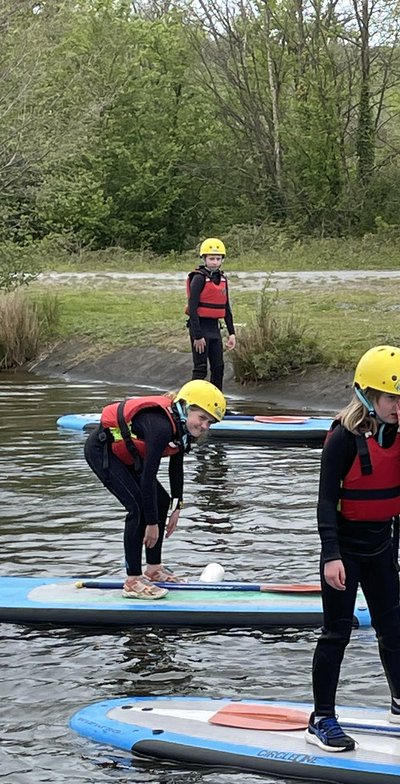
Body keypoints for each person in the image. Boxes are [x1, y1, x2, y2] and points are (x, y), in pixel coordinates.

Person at [307, 345, 400, 752]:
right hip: (345, 550)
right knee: (336, 633)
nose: (399, 407)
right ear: (368, 396)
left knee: (391, 626)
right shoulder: (343, 439)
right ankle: (321, 718)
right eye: (392, 399)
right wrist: (331, 554)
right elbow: (324, 501)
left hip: (382, 547)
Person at [83, 380, 226, 599]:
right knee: (137, 509)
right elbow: (148, 479)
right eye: (202, 418)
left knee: (161, 501)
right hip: (102, 452)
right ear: (187, 408)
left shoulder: (181, 428)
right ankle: (132, 580)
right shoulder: (160, 427)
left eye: (210, 422)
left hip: (128, 457)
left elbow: (175, 469)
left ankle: (153, 569)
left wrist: (176, 506)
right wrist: (151, 524)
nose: (205, 426)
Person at [185, 237, 236, 391]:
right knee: (200, 368)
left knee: (218, 367)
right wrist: (198, 336)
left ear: (222, 260)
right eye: (211, 258)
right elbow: (192, 309)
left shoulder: (222, 279)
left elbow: (226, 308)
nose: (214, 262)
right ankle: (192, 402)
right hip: (199, 328)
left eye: (218, 259)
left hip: (214, 329)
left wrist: (231, 333)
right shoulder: (199, 278)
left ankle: (216, 403)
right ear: (204, 259)